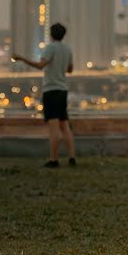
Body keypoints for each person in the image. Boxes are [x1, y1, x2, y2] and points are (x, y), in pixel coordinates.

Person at [11, 22, 76, 168]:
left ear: (51, 34)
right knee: (64, 125)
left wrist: (22, 58)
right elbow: (70, 69)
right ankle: (72, 158)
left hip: (51, 91)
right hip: (63, 90)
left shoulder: (50, 48)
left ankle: (54, 160)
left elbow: (40, 65)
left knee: (53, 127)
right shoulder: (67, 49)